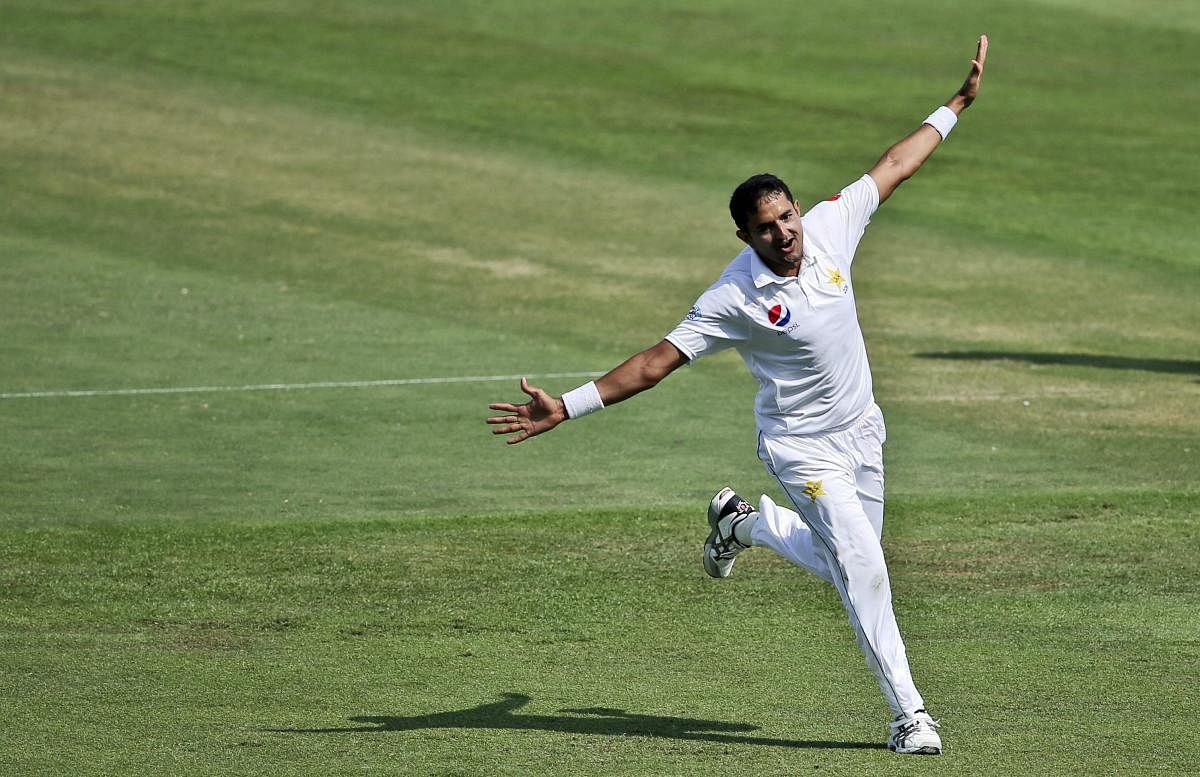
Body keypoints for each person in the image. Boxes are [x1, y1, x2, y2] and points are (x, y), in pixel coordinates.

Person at [487, 35, 988, 756]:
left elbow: (894, 165)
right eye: (767, 228)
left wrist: (956, 106)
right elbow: (655, 362)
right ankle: (911, 715)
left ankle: (740, 524)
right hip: (801, 448)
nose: (786, 234)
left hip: (862, 432)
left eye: (787, 218)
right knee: (867, 569)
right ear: (744, 235)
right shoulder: (733, 297)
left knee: (849, 561)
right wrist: (567, 403)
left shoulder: (830, 226)